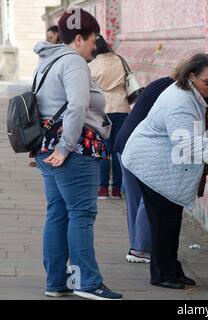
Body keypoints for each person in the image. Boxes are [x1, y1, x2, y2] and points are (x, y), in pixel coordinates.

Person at [121, 54, 208, 289]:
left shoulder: (189, 95)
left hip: (158, 164)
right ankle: (162, 274)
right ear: (191, 76)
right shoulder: (180, 101)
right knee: (163, 221)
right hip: (150, 165)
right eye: (207, 81)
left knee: (169, 219)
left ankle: (171, 270)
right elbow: (186, 142)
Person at [33, 9, 122, 300]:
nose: (95, 46)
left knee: (57, 213)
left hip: (50, 148)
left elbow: (39, 105)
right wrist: (64, 147)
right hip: (75, 150)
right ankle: (86, 282)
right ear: (79, 38)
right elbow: (77, 107)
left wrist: (45, 148)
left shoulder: (46, 61)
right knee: (81, 214)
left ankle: (56, 281)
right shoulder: (73, 62)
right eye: (93, 39)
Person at [114, 65, 184, 264]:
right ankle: (142, 248)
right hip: (140, 148)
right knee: (149, 196)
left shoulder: (161, 83)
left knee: (135, 199)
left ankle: (137, 246)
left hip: (125, 142)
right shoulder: (174, 92)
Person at [89, 35, 130, 200]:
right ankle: (117, 190)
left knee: (104, 151)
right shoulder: (120, 60)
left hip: (102, 109)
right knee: (117, 150)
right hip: (121, 107)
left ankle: (103, 188)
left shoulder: (92, 65)